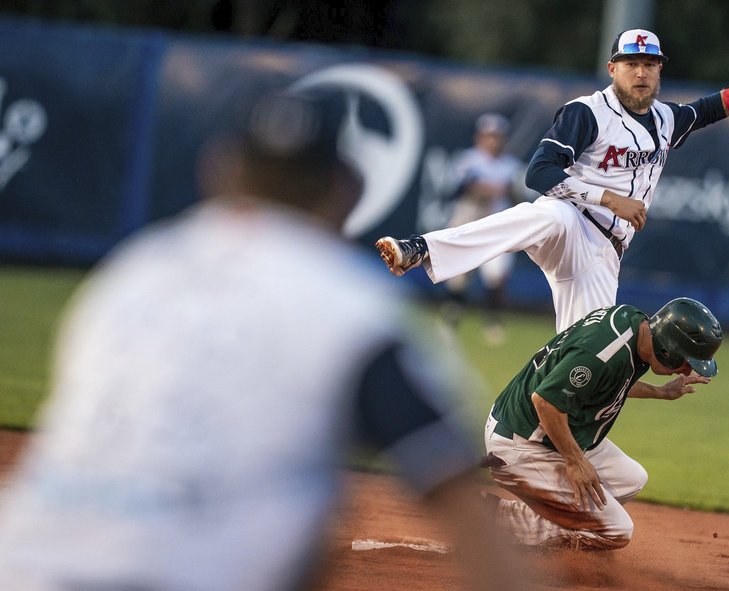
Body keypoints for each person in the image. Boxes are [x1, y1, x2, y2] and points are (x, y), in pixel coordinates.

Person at [0, 90, 527, 591]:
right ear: (347, 190)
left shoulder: (131, 274)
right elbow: (456, 490)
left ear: (219, 170)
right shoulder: (348, 305)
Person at [377, 28, 729, 332]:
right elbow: (539, 172)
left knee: (588, 349)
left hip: (607, 253)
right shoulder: (587, 111)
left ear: (659, 71)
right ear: (612, 68)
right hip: (574, 220)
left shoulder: (667, 118)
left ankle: (536, 439)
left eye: (649, 65)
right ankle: (422, 248)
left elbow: (712, 108)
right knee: (549, 217)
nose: (641, 73)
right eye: (631, 63)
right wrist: (609, 198)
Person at [482, 297, 723, 550]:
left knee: (630, 479)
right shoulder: (605, 352)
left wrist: (660, 392)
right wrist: (575, 461)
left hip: (550, 433)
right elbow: (545, 402)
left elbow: (610, 383)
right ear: (668, 348)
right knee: (617, 531)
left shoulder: (636, 328)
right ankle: (504, 530)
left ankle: (500, 516)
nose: (686, 371)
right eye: (686, 361)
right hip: (523, 441)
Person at [441, 112, 524, 343]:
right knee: (458, 275)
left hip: (497, 225)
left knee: (496, 277)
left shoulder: (511, 165)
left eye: (497, 136)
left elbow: (517, 195)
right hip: (467, 221)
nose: (493, 141)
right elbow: (463, 188)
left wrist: (497, 189)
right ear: (480, 137)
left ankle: (492, 322)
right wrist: (493, 188)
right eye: (489, 136)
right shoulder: (468, 159)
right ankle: (451, 317)